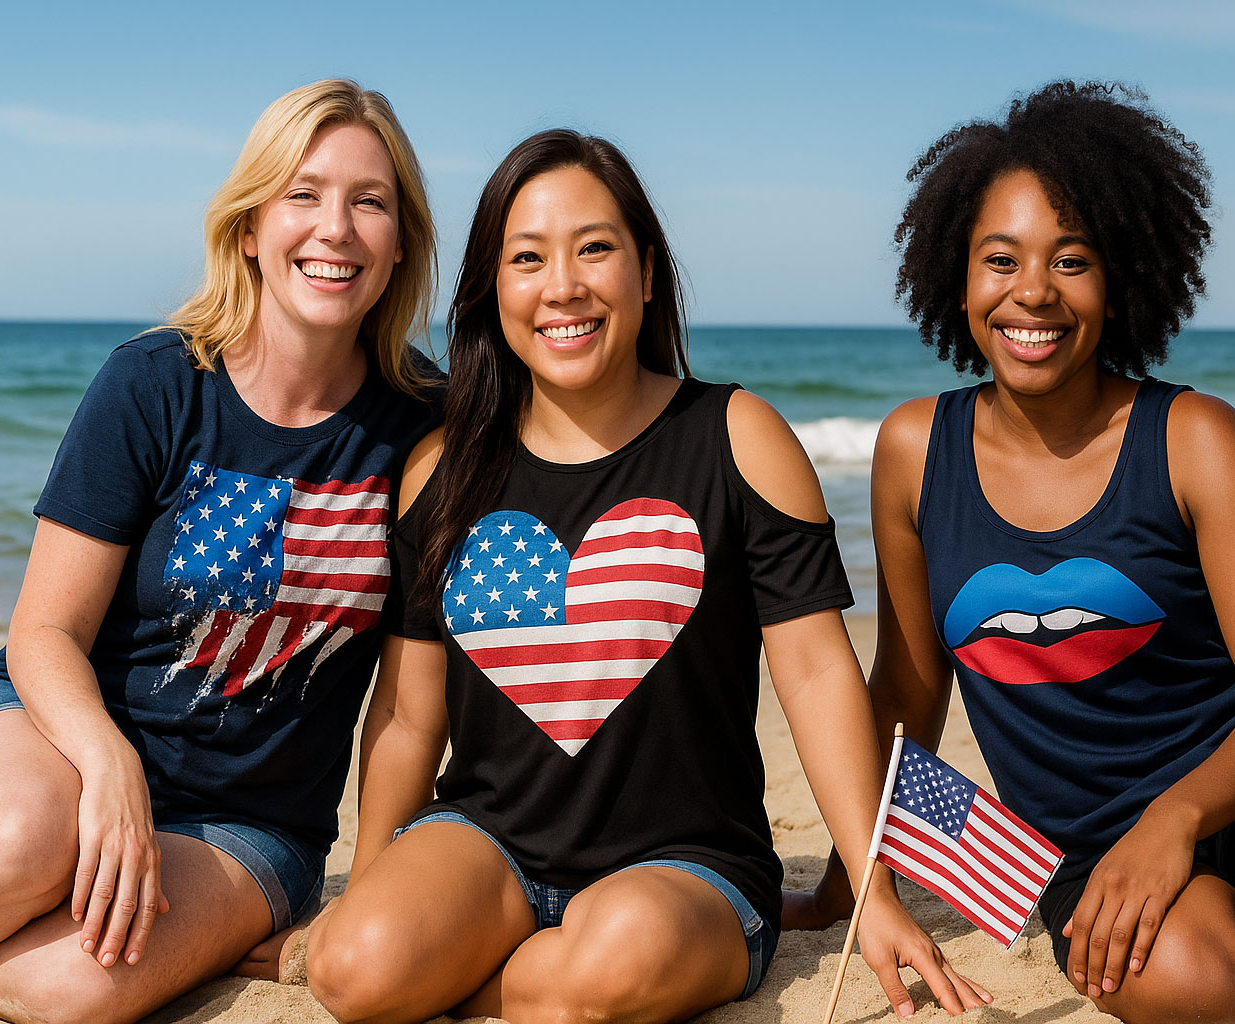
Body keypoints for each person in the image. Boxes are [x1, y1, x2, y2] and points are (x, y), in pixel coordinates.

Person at [786, 81, 1235, 1023]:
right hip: (1086, 844)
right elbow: (909, 699)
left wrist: (1174, 821)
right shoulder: (913, 453)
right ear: (956, 278)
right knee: (1217, 994)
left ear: (1121, 279)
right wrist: (852, 893)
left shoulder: (1193, 438)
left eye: (1072, 260)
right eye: (999, 259)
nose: (1032, 293)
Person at [303, 129, 989, 1024]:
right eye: (527, 258)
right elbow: (406, 711)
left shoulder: (739, 436)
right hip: (488, 843)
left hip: (689, 870)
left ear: (647, 272)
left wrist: (874, 888)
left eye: (595, 248)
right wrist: (377, 877)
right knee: (356, 965)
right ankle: (498, 961)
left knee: (612, 959)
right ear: (492, 288)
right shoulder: (442, 468)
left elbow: (817, 673)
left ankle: (496, 977)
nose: (564, 287)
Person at [0, 79, 440, 1024]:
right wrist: (107, 770)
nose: (336, 228)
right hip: (60, 729)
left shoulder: (425, 426)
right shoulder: (154, 381)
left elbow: (407, 692)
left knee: (69, 991)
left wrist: (377, 895)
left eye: (370, 201)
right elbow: (44, 632)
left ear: (399, 247)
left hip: (251, 823)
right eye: (303, 194)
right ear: (249, 229)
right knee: (17, 849)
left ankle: (216, 930)